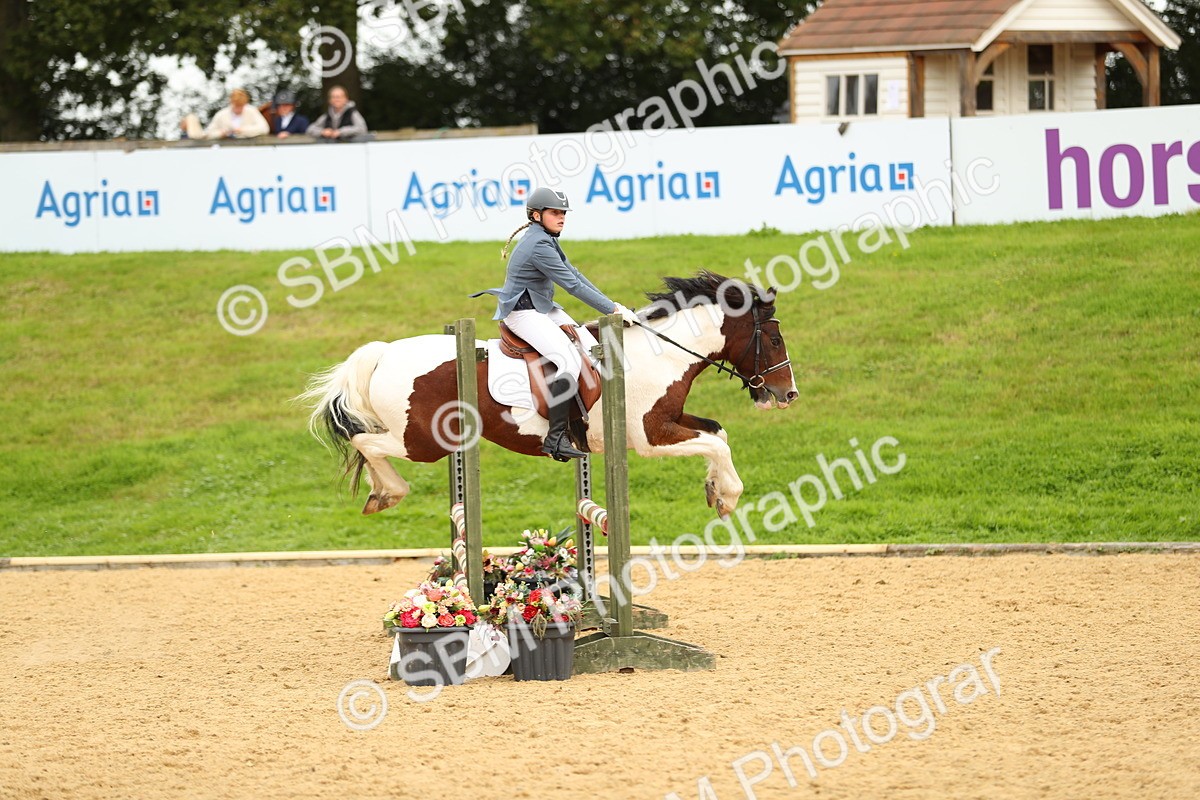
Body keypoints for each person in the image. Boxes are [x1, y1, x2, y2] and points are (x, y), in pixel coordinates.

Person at [473, 187, 639, 462]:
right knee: (569, 362)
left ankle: (582, 420)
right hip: (523, 313)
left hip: (542, 308)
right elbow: (572, 286)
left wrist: (614, 306)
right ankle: (555, 438)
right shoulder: (538, 243)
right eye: (555, 213)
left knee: (588, 344)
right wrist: (612, 310)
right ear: (537, 215)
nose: (561, 217)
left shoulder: (545, 237)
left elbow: (575, 273)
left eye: (563, 213)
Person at [180, 89, 269, 140]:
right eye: (236, 106)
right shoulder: (221, 115)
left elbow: (264, 128)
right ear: (231, 103)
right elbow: (209, 133)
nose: (239, 109)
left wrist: (242, 130)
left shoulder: (251, 111)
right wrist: (221, 133)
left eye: (241, 106)